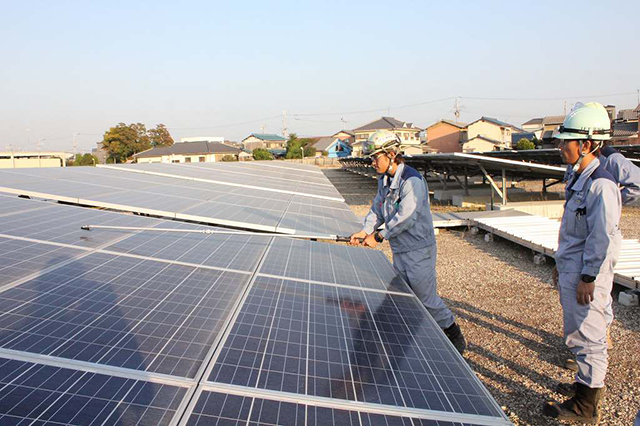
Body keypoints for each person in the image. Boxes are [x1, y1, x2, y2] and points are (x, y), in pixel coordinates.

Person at [349, 129, 466, 354]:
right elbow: (377, 209)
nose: (373, 161)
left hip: (419, 250)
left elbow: (406, 216)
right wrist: (365, 230)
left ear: (391, 155)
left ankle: (454, 338)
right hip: (401, 249)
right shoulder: (384, 180)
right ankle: (396, 342)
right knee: (398, 295)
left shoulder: (411, 180)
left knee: (426, 300)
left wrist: (379, 236)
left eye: (376, 157)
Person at [544, 102, 622, 423]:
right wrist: (560, 265)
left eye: (567, 141)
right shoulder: (579, 177)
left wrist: (588, 276)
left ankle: (586, 407)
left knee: (588, 337)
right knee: (581, 333)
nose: (562, 147)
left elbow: (601, 237)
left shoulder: (600, 184)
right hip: (574, 269)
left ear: (586, 144)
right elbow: (574, 234)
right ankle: (584, 386)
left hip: (587, 275)